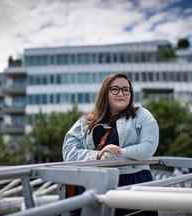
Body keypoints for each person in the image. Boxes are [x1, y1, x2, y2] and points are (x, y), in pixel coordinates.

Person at [63, 73, 159, 216]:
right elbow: (68, 151)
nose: (121, 93)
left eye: (126, 90)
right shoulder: (87, 121)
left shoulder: (142, 115)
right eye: (115, 89)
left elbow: (148, 148)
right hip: (94, 183)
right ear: (105, 93)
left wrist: (118, 153)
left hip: (133, 183)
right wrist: (98, 155)